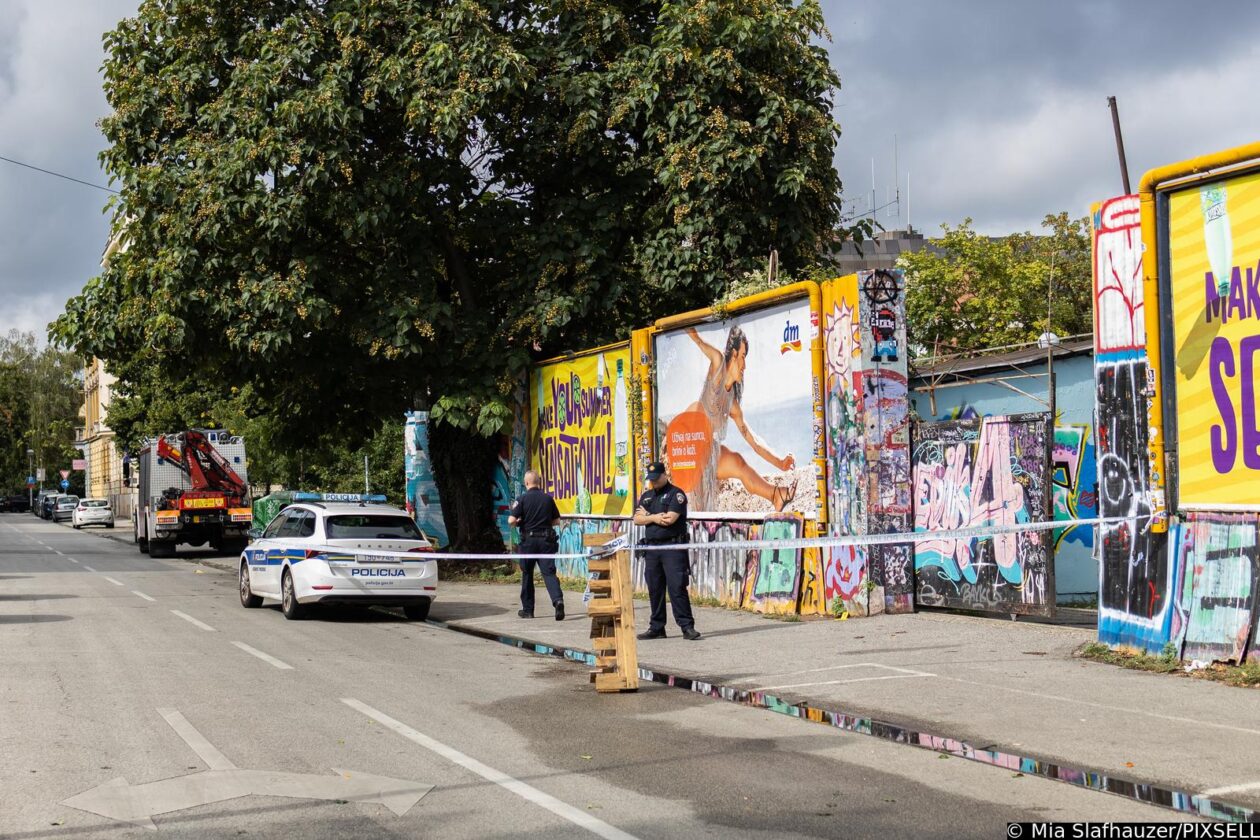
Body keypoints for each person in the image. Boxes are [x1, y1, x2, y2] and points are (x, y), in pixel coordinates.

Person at [678, 325, 796, 511]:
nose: (745, 366)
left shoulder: (732, 404)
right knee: (700, 509)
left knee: (739, 463)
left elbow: (754, 441)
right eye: (743, 357)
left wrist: (780, 463)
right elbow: (696, 338)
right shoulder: (717, 366)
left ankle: (776, 495)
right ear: (733, 354)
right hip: (692, 453)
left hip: (709, 452)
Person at [634, 462, 700, 641]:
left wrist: (647, 517)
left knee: (677, 587)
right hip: (652, 548)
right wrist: (654, 517)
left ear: (665, 474)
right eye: (651, 480)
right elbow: (636, 519)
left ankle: (687, 627)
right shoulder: (647, 496)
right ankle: (657, 627)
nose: (653, 483)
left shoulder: (675, 494)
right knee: (655, 588)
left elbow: (669, 519)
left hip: (672, 548)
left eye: (656, 479)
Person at [508, 470, 564, 620]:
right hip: (546, 541)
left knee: (527, 574)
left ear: (526, 483)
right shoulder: (547, 499)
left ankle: (528, 610)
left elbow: (511, 521)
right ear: (539, 482)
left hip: (528, 542)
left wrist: (520, 522)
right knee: (549, 573)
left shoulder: (522, 499)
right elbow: (557, 521)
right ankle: (558, 600)